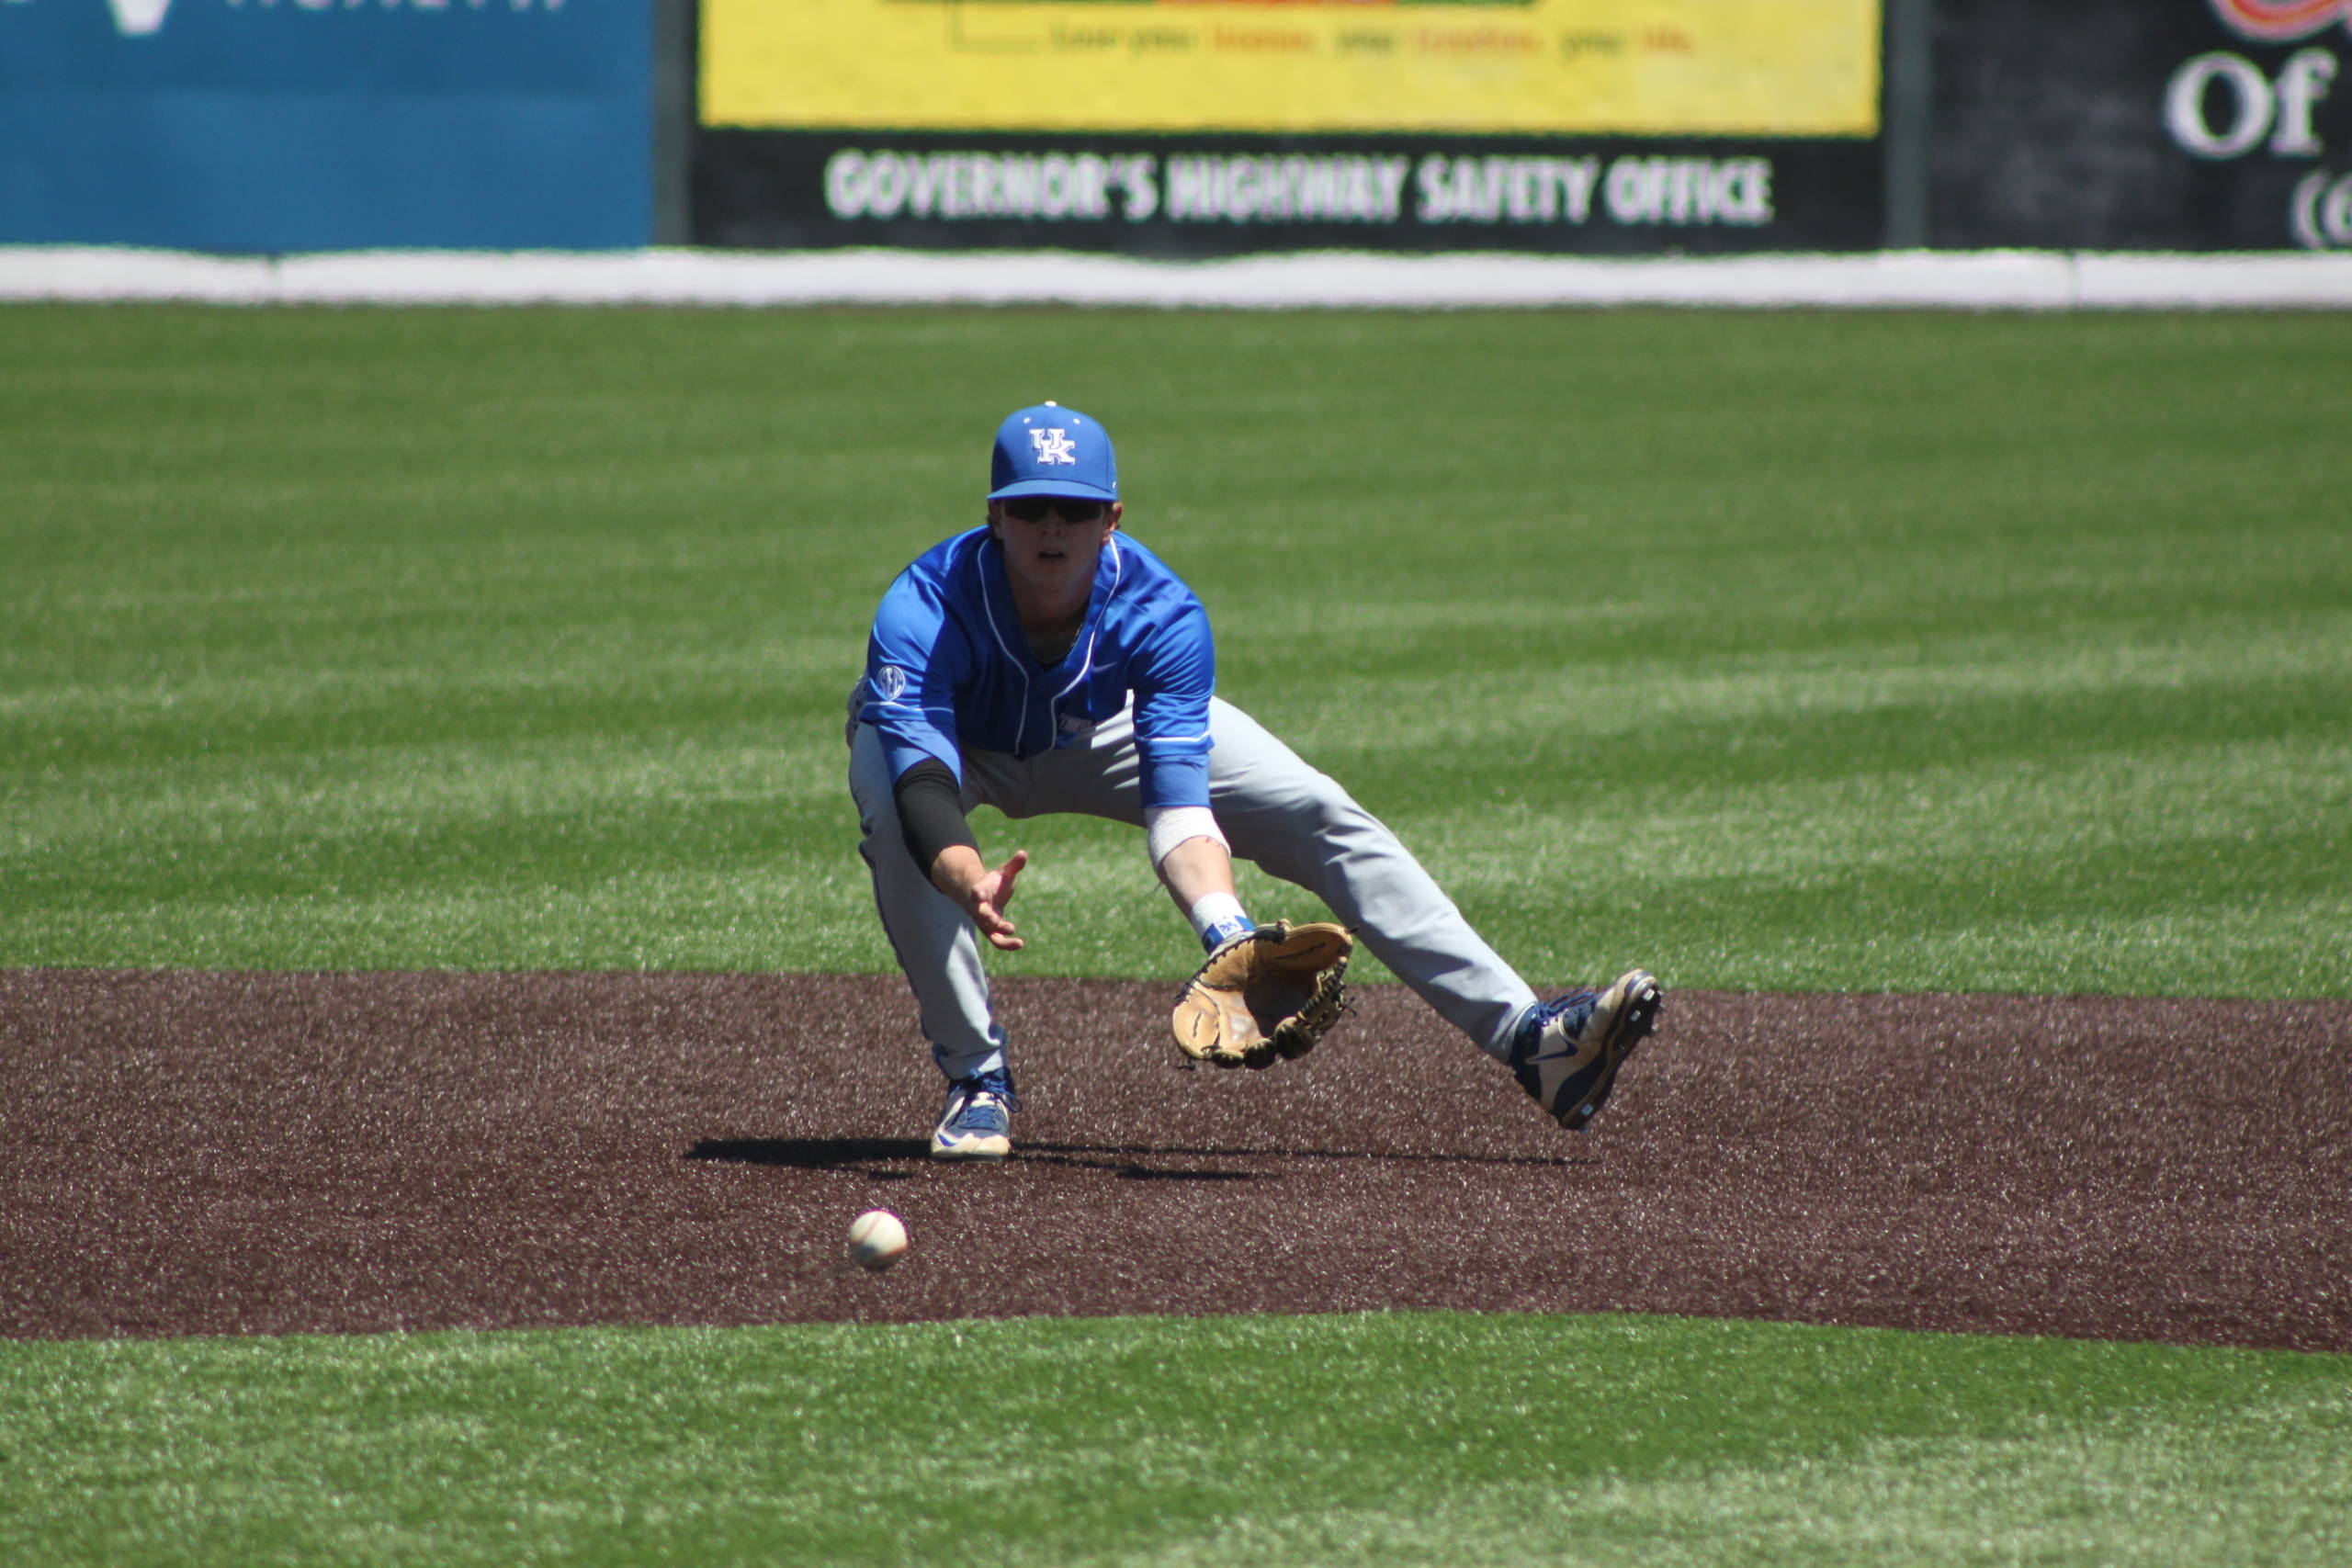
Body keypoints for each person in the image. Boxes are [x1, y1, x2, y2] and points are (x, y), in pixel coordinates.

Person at [848, 403, 1663, 1160]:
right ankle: (978, 1079)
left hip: (1100, 722)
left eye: (1076, 507)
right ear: (994, 515)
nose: (1052, 525)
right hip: (956, 742)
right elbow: (922, 780)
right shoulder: (925, 605)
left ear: (1112, 520)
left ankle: (1534, 1042)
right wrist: (969, 878)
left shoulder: (1162, 614)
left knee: (1315, 807)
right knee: (896, 821)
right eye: (1030, 507)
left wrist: (1225, 929)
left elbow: (1178, 805)